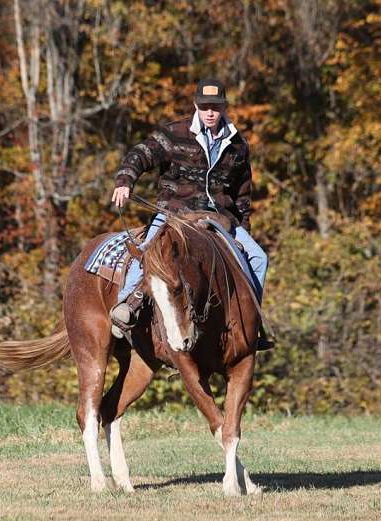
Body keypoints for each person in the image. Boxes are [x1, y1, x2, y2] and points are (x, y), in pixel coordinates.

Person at [110, 77, 273, 350]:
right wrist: (125, 180)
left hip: (219, 218)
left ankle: (250, 324)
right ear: (196, 105)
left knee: (258, 257)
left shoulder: (238, 145)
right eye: (205, 106)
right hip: (175, 213)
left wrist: (243, 229)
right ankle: (127, 306)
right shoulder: (174, 133)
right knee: (148, 249)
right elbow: (141, 153)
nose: (210, 112)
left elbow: (242, 193)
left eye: (216, 107)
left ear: (224, 108)